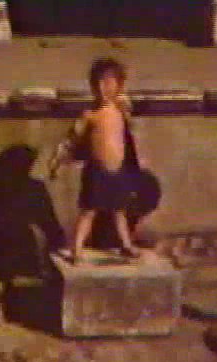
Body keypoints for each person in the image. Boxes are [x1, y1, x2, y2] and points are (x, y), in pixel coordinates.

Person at [49, 57, 147, 265]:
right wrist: (57, 160)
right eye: (99, 83)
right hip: (97, 170)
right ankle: (76, 249)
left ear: (119, 86)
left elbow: (132, 131)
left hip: (118, 169)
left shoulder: (120, 111)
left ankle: (126, 245)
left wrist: (127, 109)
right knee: (88, 212)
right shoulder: (90, 115)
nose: (104, 89)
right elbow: (71, 139)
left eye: (110, 83)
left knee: (119, 210)